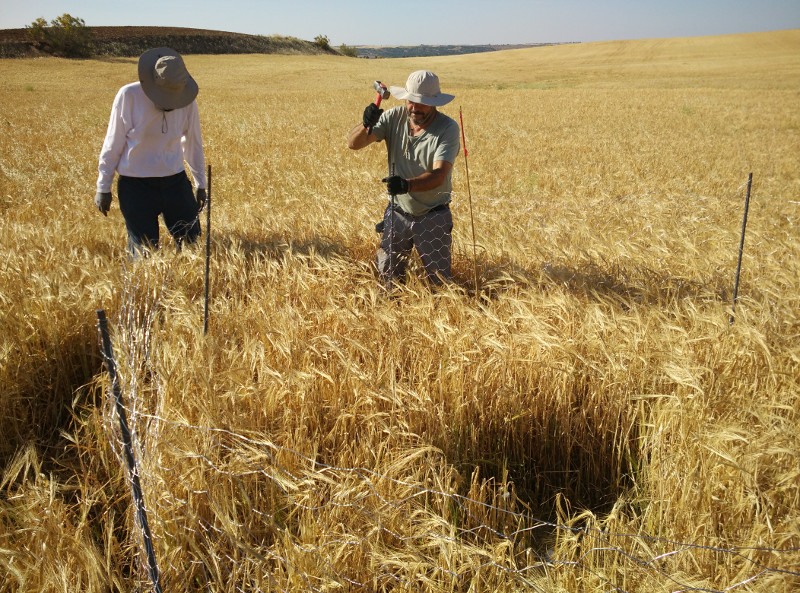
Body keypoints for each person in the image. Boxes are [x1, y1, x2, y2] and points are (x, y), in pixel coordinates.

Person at [347, 70, 460, 286]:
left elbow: (439, 175)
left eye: (423, 103)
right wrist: (365, 124)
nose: (415, 107)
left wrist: (406, 185)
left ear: (435, 102)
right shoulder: (393, 117)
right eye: (412, 101)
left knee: (439, 286)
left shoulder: (448, 128)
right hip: (397, 213)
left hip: (433, 215)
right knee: (387, 281)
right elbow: (354, 144)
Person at [94, 47, 207, 256]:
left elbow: (193, 144)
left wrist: (201, 184)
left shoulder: (188, 100)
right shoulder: (129, 95)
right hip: (135, 187)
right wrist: (103, 186)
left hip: (175, 182)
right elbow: (113, 143)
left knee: (192, 244)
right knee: (144, 252)